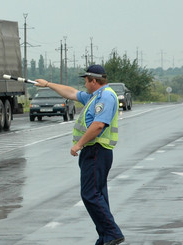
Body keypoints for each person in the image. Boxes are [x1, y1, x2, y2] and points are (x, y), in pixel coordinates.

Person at [35, 64, 125, 245]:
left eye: (86, 80)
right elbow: (70, 93)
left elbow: (99, 125)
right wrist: (48, 84)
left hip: (96, 150)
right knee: (97, 194)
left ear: (94, 80)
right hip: (95, 151)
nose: (84, 83)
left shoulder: (105, 96)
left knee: (90, 194)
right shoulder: (95, 96)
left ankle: (112, 233)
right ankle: (106, 237)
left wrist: (78, 144)